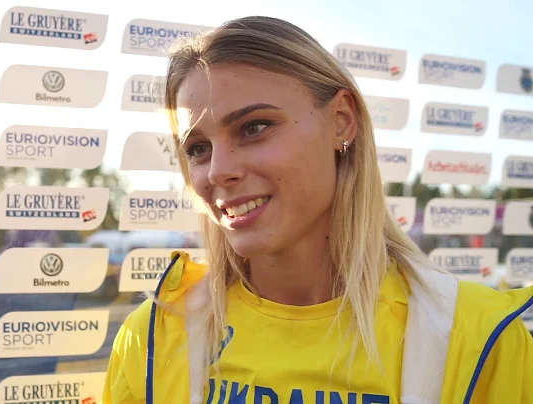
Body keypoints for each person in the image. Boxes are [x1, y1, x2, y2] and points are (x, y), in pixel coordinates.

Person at [103, 16, 533, 404]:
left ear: (342, 121)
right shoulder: (152, 338)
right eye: (198, 148)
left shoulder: (478, 338)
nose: (219, 171)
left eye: (254, 128)